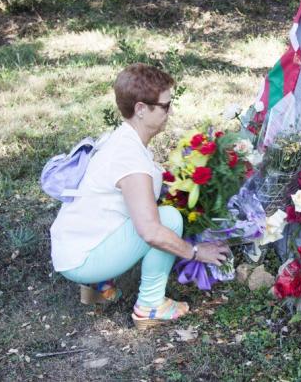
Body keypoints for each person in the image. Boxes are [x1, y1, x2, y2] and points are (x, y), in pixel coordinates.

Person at [49, 63, 230, 329]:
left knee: (154, 214)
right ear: (141, 109)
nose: (171, 112)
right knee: (166, 219)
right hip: (82, 260)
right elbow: (151, 232)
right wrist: (195, 251)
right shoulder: (130, 158)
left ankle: (99, 286)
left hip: (73, 246)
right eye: (165, 106)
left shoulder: (121, 138)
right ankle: (150, 305)